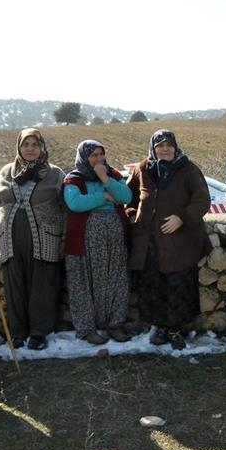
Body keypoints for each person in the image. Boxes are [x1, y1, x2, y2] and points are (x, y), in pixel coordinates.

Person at [126, 129, 212, 350]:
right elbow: (129, 197)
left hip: (179, 242)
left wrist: (181, 218)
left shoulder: (189, 169)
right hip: (149, 242)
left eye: (168, 145)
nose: (165, 149)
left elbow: (202, 200)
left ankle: (175, 329)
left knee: (178, 285)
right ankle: (159, 327)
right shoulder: (142, 169)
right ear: (153, 148)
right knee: (152, 284)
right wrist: (133, 216)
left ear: (175, 146)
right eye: (159, 145)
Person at [0, 128, 66, 350]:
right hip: (11, 239)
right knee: (15, 286)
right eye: (25, 145)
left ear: (42, 148)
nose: (30, 149)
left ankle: (39, 333)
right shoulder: (5, 172)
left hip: (45, 238)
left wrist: (63, 240)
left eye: (35, 145)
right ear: (19, 147)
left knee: (43, 286)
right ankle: (18, 331)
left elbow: (65, 209)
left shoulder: (55, 174)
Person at [63, 140, 133, 345]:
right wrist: (103, 195)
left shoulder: (113, 175)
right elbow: (75, 203)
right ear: (84, 157)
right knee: (83, 281)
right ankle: (86, 329)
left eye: (101, 154)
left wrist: (105, 178)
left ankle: (115, 324)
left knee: (117, 277)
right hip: (85, 238)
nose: (98, 159)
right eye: (93, 155)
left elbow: (125, 196)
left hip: (114, 234)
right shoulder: (73, 179)